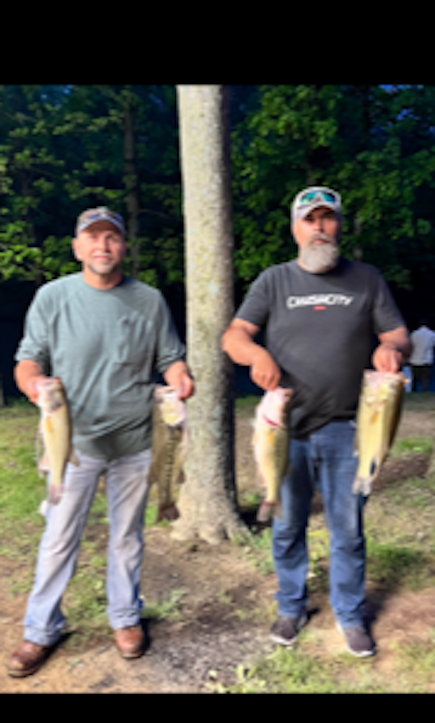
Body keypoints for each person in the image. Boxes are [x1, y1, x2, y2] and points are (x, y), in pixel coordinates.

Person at [222, 186, 411, 658]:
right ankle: (291, 607)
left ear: (339, 226)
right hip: (286, 429)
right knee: (287, 526)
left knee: (347, 530)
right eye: (310, 219)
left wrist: (391, 349)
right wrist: (256, 355)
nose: (319, 228)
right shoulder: (274, 281)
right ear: (295, 228)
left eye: (328, 218)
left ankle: (350, 615)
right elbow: (235, 335)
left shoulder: (367, 279)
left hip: (351, 428)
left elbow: (397, 335)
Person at [8, 206, 195, 678]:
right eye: (92, 237)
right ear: (77, 247)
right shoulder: (53, 297)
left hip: (137, 441)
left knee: (127, 537)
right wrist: (34, 385)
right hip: (75, 444)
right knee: (58, 537)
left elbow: (170, 357)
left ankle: (125, 617)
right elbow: (28, 358)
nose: (102, 246)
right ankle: (41, 628)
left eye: (111, 237)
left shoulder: (149, 300)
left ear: (124, 247)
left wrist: (179, 377)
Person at [409, 319, 435, 392]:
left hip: (415, 359)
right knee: (426, 378)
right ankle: (425, 391)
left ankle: (414, 390)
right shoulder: (432, 334)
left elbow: (410, 345)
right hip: (427, 359)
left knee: (415, 378)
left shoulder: (414, 334)